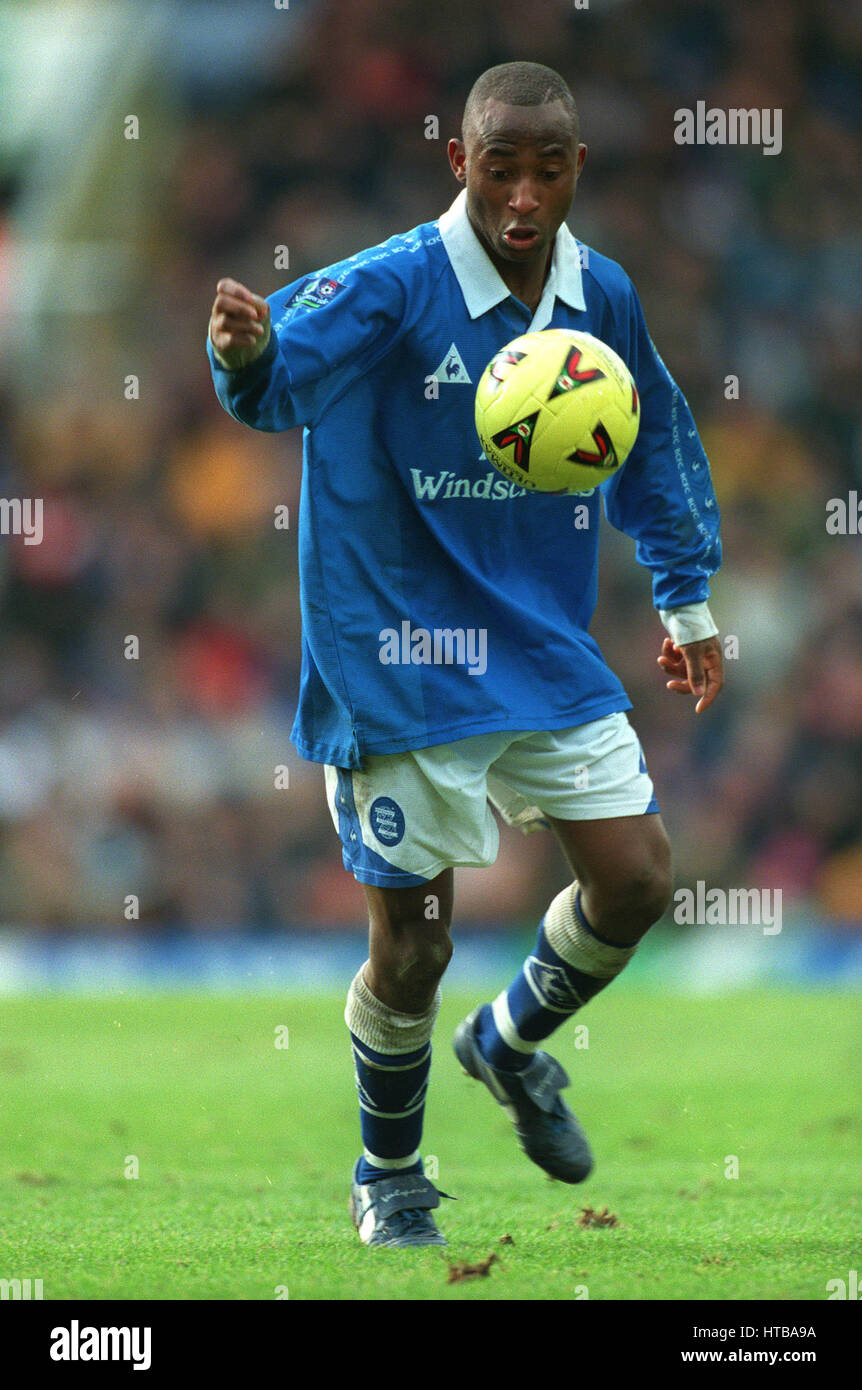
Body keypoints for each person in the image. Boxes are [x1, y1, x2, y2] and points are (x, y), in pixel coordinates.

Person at [207, 61, 724, 1249]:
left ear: (577, 169)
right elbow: (274, 384)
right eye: (500, 166)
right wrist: (240, 352)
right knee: (416, 941)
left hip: (538, 643)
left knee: (639, 876)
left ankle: (506, 1041)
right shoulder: (392, 283)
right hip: (393, 649)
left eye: (548, 168)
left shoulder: (603, 297)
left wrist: (685, 599)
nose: (523, 193)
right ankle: (387, 1175)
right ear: (460, 162)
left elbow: (654, 442)